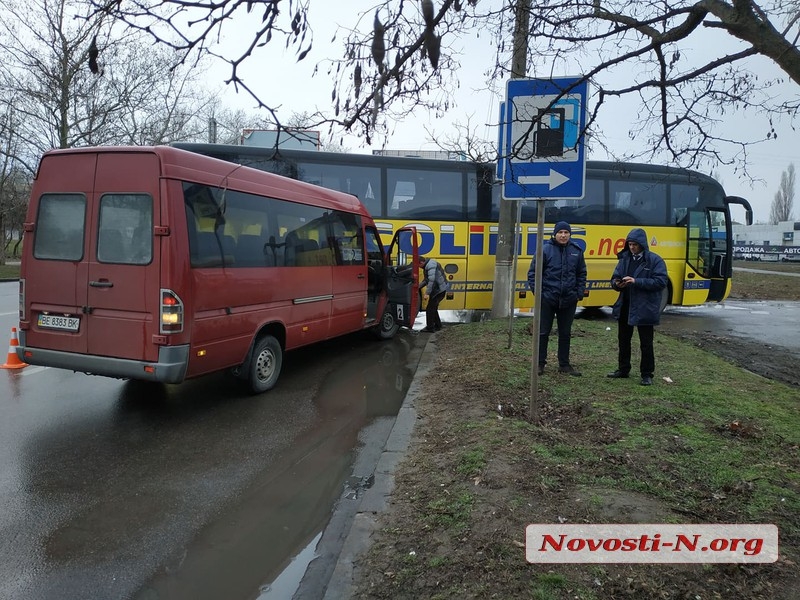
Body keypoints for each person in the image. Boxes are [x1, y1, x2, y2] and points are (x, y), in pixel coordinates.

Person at [607, 227, 668, 386]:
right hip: (625, 305)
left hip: (645, 307)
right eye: (630, 244)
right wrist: (617, 284)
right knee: (623, 340)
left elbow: (661, 282)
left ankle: (647, 374)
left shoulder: (655, 260)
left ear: (642, 244)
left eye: (635, 244)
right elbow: (614, 277)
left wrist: (636, 281)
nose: (632, 247)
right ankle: (623, 369)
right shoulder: (624, 259)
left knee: (646, 342)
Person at [527, 221, 587, 376]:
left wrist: (578, 293)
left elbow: (581, 274)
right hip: (547, 299)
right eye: (560, 232)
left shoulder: (576, 251)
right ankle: (539, 364)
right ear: (554, 234)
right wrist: (539, 294)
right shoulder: (544, 250)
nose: (563, 235)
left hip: (568, 300)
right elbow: (533, 274)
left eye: (566, 232)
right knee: (543, 332)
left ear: (570, 235)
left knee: (565, 333)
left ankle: (564, 365)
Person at [419, 256, 449, 332]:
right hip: (439, 290)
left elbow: (431, 281)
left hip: (439, 290)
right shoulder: (427, 265)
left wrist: (427, 293)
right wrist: (418, 287)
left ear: (421, 263)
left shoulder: (430, 266)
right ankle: (438, 326)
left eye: (418, 265)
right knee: (433, 308)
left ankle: (430, 328)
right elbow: (426, 280)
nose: (418, 267)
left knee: (430, 309)